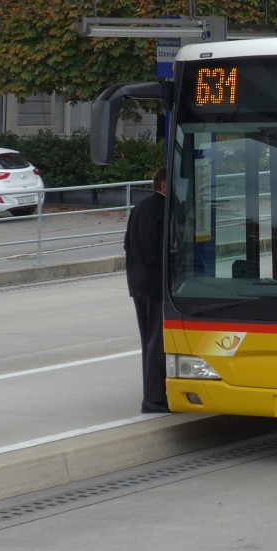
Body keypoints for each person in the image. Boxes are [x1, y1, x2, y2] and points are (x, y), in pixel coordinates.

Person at [124, 167, 169, 413]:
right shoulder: (164, 210)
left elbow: (127, 243)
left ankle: (153, 393)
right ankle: (154, 398)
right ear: (163, 184)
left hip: (137, 281)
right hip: (155, 283)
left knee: (148, 340)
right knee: (157, 341)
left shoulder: (140, 208)